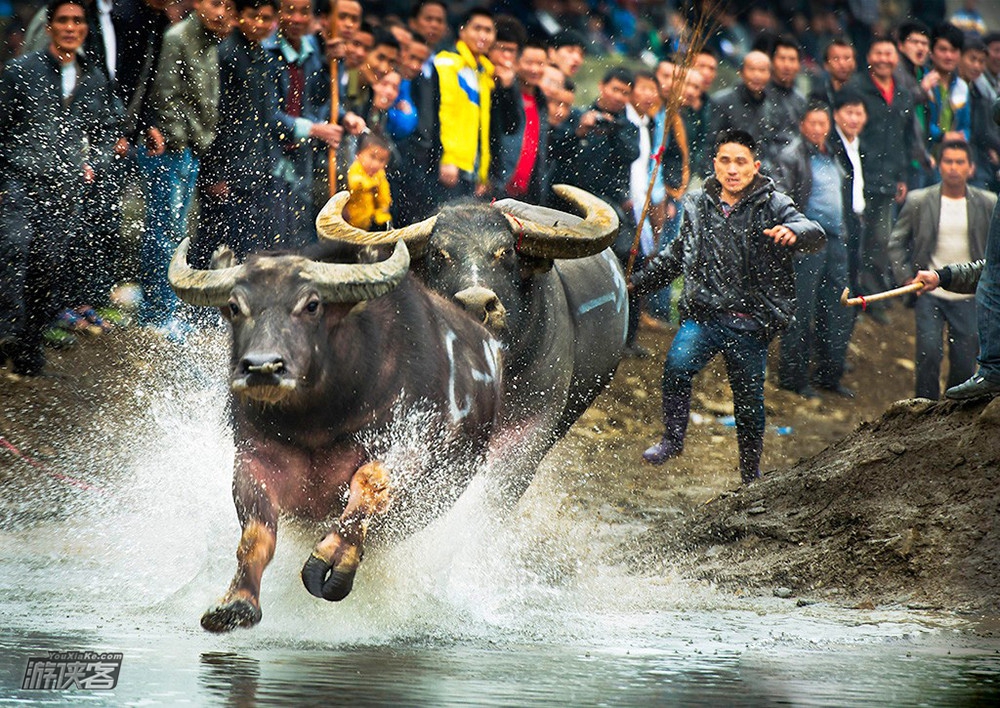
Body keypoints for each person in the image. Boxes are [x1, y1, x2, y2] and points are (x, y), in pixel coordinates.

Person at [630, 130, 824, 483]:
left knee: (749, 401)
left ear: (755, 167)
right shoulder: (697, 205)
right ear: (715, 164)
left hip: (751, 321)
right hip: (704, 316)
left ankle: (751, 473)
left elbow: (812, 229)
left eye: (740, 162)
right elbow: (676, 256)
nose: (732, 170)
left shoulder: (773, 203)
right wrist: (638, 283)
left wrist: (794, 233)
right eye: (725, 161)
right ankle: (672, 440)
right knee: (676, 367)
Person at [0, 0, 118, 374]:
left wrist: (92, 164)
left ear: (85, 28)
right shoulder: (21, 71)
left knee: (48, 265)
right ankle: (7, 332)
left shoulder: (93, 77)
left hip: (65, 188)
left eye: (78, 21)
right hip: (20, 179)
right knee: (12, 250)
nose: (70, 27)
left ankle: (29, 349)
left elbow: (106, 132)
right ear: (49, 26)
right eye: (63, 20)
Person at [142, 0, 232, 336]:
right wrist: (182, 139)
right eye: (214, 2)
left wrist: (198, 143)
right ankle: (156, 315)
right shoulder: (178, 36)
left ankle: (167, 311)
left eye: (225, 4)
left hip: (191, 149)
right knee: (163, 232)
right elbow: (165, 96)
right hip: (171, 148)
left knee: (178, 232)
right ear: (198, 4)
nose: (220, 11)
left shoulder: (209, 41)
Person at [888, 140, 996, 399]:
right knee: (928, 353)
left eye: (960, 162)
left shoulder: (988, 203)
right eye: (948, 161)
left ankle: (953, 413)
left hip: (969, 294)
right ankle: (923, 410)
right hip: (930, 290)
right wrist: (904, 276)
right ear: (939, 166)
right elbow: (896, 242)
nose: (954, 168)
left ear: (971, 168)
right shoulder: (919, 200)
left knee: (964, 360)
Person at [193, 0, 283, 267]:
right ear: (238, 16)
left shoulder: (265, 59)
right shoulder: (225, 55)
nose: (259, 23)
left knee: (246, 248)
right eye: (253, 16)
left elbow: (267, 119)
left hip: (255, 171)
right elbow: (214, 118)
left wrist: (267, 166)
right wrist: (213, 173)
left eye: (266, 18)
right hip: (227, 172)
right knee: (212, 244)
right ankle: (198, 305)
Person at [774, 101, 855, 399]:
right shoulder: (792, 154)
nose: (819, 129)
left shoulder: (831, 154)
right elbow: (782, 196)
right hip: (807, 239)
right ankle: (793, 378)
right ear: (802, 125)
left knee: (836, 306)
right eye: (813, 123)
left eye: (824, 124)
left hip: (836, 238)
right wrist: (796, 229)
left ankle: (828, 375)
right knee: (801, 308)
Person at [846, 37, 914, 324]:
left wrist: (901, 176)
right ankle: (852, 297)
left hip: (887, 179)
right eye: (879, 52)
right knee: (854, 240)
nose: (885, 58)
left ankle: (871, 298)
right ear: (869, 56)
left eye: (889, 52)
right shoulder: (857, 88)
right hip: (858, 176)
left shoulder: (902, 93)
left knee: (880, 240)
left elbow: (905, 138)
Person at [429, 8, 496, 202]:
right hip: (450, 166)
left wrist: (482, 173)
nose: (483, 35)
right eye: (477, 28)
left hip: (471, 171)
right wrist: (447, 157)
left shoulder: (484, 72)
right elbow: (444, 112)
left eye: (488, 30)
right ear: (462, 30)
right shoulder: (447, 63)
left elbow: (482, 128)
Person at [490, 37, 550, 203]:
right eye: (529, 63)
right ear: (516, 63)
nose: (534, 69)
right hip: (499, 187)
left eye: (540, 64)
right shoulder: (504, 93)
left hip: (526, 194)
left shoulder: (541, 100)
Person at [343, 132, 392, 231]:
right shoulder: (355, 169)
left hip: (369, 223)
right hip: (351, 223)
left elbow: (384, 196)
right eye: (372, 157)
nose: (375, 164)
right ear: (359, 155)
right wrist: (370, 184)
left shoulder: (379, 175)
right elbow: (354, 183)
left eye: (382, 160)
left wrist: (382, 213)